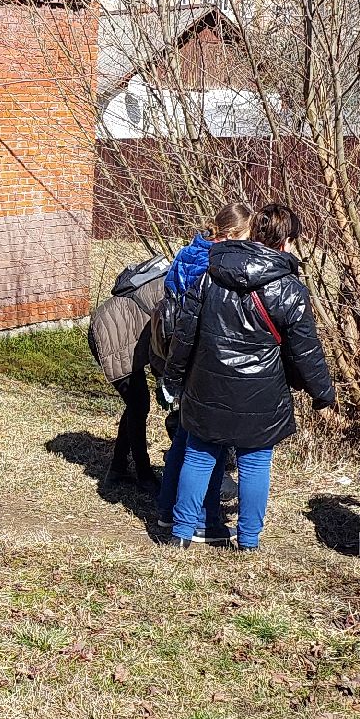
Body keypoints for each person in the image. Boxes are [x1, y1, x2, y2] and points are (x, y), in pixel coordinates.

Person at [161, 203, 338, 551]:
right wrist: (323, 393)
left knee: (198, 455)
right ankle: (249, 540)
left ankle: (180, 534)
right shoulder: (290, 290)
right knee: (255, 464)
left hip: (207, 384)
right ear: (286, 241)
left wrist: (173, 378)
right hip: (262, 394)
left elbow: (185, 335)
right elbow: (306, 351)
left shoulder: (210, 275)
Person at [148, 205, 254, 543]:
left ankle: (167, 510)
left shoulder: (186, 253)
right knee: (209, 443)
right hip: (203, 356)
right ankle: (203, 518)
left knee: (185, 434)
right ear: (232, 234)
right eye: (247, 235)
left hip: (176, 351)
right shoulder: (216, 263)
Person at [86, 253, 168, 485]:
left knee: (137, 404)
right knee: (139, 404)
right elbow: (161, 341)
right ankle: (143, 474)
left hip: (120, 330)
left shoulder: (180, 278)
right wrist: (163, 378)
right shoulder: (179, 289)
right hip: (111, 337)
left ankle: (118, 467)